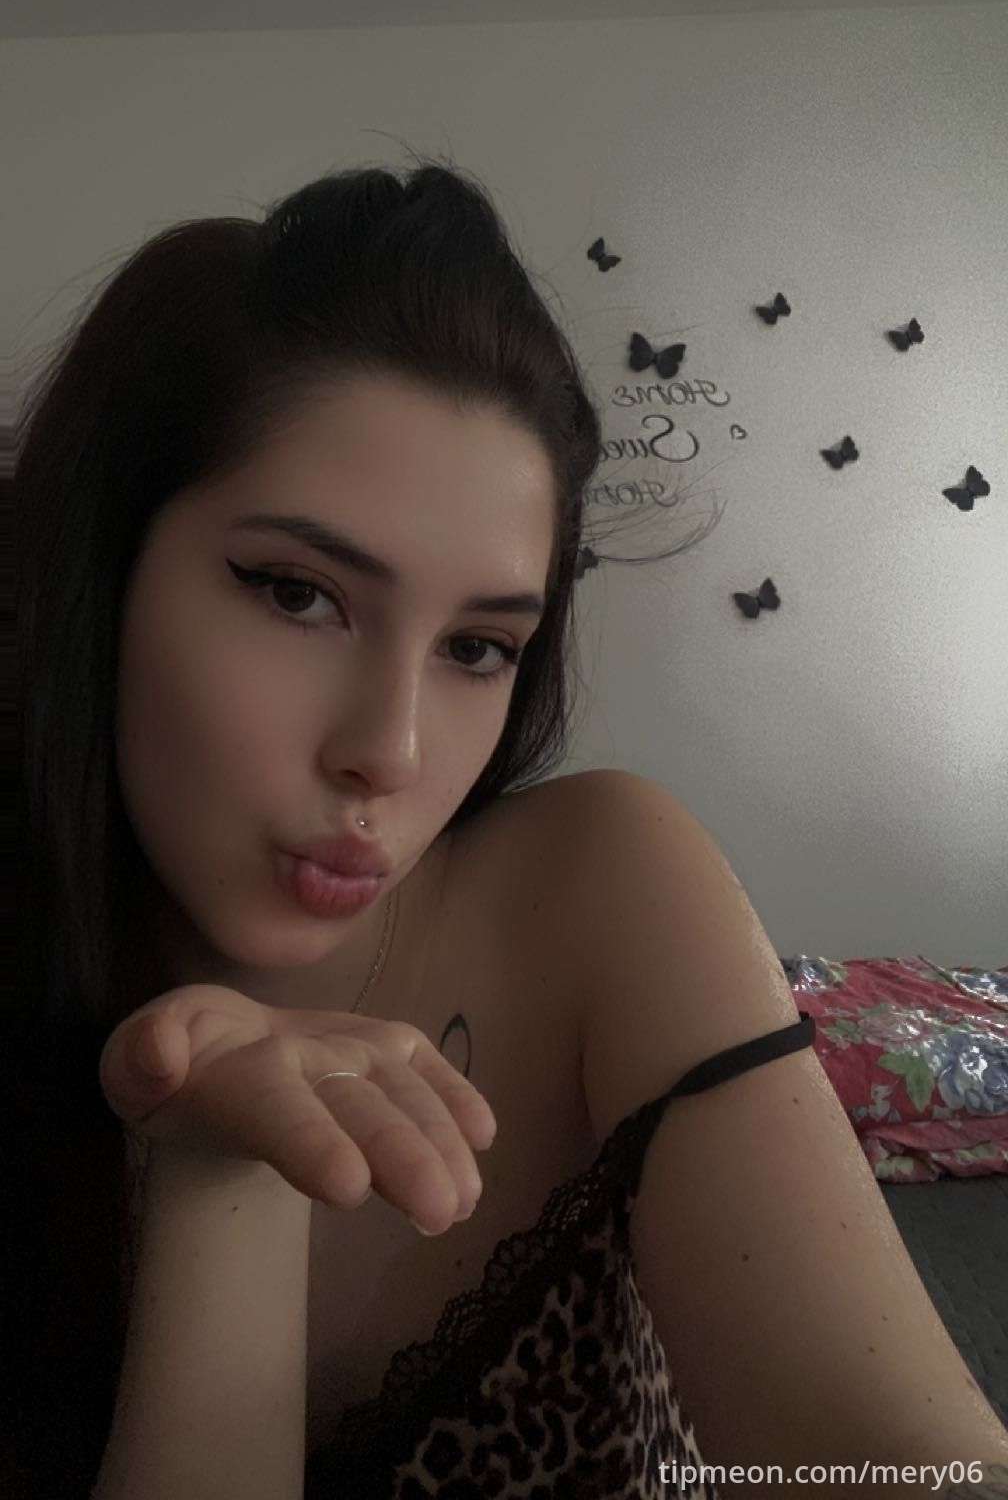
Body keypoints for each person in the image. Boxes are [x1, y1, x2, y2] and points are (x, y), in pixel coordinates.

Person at [8, 156, 1007, 1500]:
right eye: (298, 595)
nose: (393, 750)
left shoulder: (601, 884)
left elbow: (905, 1464)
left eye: (478, 647)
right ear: (107, 570)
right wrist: (222, 1181)